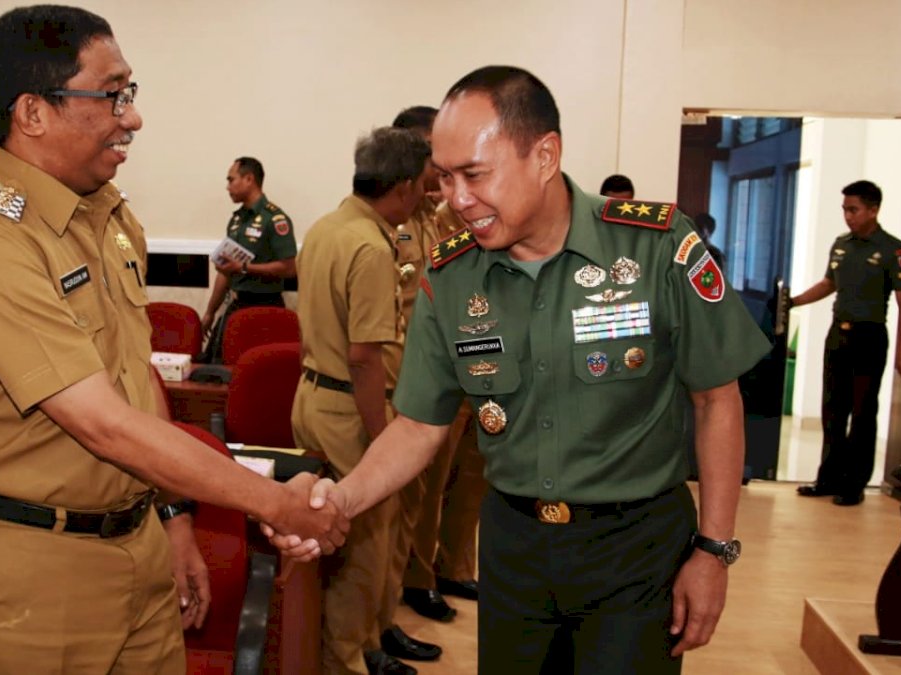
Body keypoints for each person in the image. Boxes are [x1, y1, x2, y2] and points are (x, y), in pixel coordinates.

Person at [279, 65, 770, 674]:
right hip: (515, 549)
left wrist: (714, 551)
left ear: (544, 155)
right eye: (445, 179)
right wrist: (341, 499)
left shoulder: (655, 248)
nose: (456, 200)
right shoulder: (451, 276)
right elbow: (418, 426)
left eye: (475, 175)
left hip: (635, 549)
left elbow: (717, 401)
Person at [0, 6, 346, 673]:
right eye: (112, 94)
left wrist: (176, 519)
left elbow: (133, 374)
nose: (133, 116)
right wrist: (276, 501)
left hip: (139, 547)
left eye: (131, 92)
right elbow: (104, 423)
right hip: (33, 572)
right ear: (33, 112)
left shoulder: (108, 216)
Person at [290, 126, 432, 675]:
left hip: (314, 396)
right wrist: (383, 440)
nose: (425, 197)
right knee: (362, 551)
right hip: (353, 407)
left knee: (335, 543)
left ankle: (347, 648)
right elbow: (364, 357)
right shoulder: (373, 247)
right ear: (400, 187)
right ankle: (345, 662)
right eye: (422, 185)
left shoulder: (327, 227)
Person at [391, 106, 485, 625]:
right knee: (425, 488)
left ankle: (455, 564)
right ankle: (419, 577)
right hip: (426, 373)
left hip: (470, 361)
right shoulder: (396, 222)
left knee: (470, 475)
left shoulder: (444, 213)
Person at [791, 180, 901, 506]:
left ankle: (854, 484)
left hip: (869, 337)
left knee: (863, 413)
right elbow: (828, 283)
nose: (848, 216)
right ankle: (828, 478)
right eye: (845, 210)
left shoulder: (894, 249)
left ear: (873, 210)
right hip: (838, 335)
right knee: (833, 410)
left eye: (854, 209)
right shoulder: (841, 244)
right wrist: (793, 302)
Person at [199, 156, 297, 363]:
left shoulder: (275, 219)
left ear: (249, 179)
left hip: (266, 306)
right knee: (214, 366)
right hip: (237, 303)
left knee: (263, 370)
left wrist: (244, 267)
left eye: (231, 180)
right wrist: (209, 313)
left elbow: (289, 268)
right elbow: (225, 273)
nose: (227, 187)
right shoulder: (236, 220)